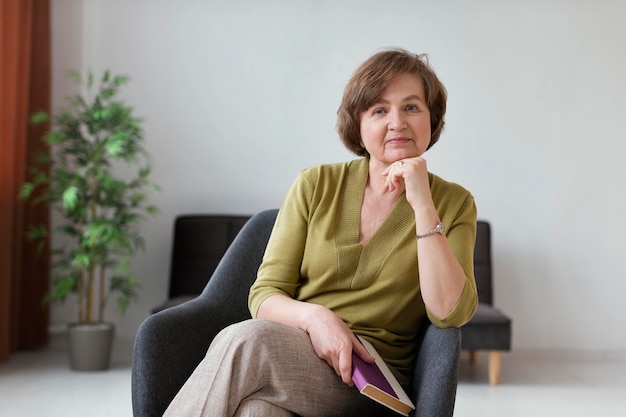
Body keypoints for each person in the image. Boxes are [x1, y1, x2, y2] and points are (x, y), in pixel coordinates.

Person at [164, 48, 478, 417]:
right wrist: (318, 319)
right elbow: (264, 295)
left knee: (246, 341)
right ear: (358, 125)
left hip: (367, 379)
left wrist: (423, 203)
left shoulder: (454, 203)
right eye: (379, 110)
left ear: (431, 118)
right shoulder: (315, 184)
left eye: (411, 107)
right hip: (298, 348)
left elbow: (448, 312)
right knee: (257, 411)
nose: (397, 122)